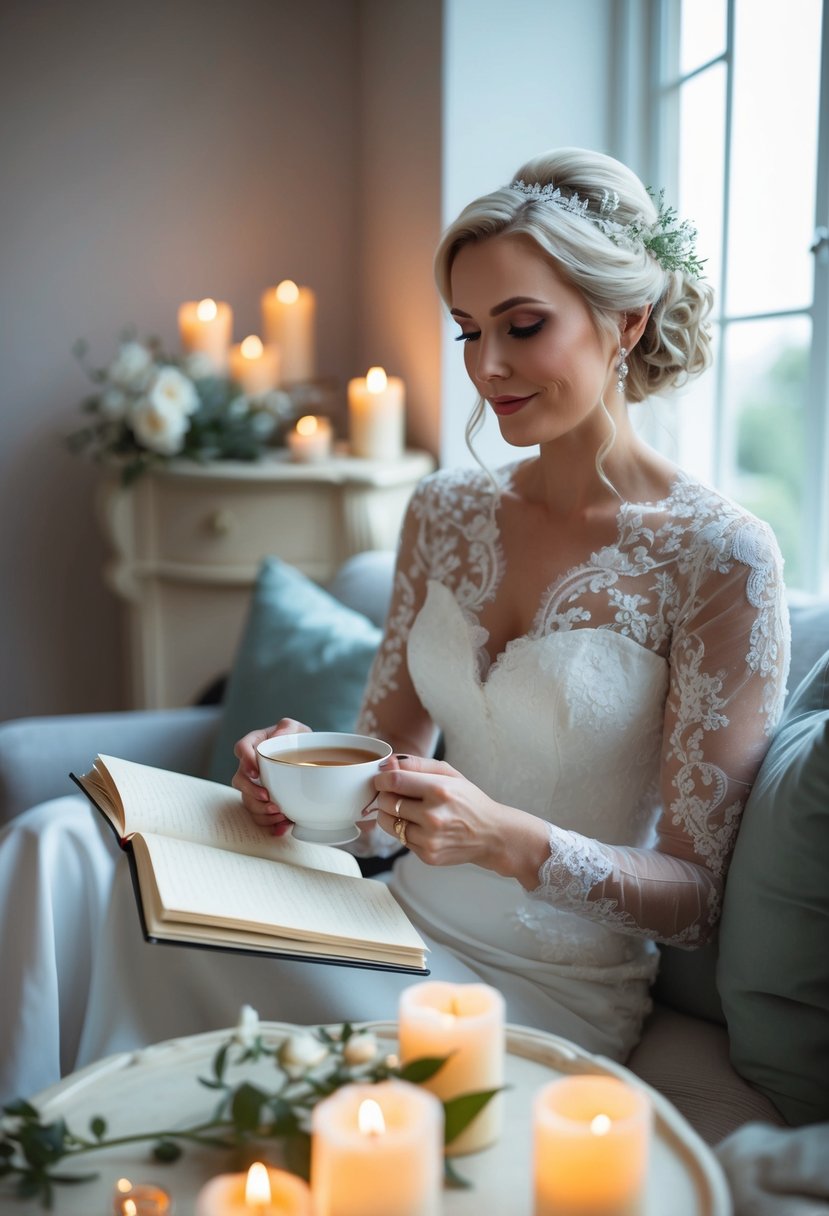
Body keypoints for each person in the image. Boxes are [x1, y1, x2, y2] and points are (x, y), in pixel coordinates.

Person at [0, 147, 790, 1103]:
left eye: (521, 326)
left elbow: (695, 899)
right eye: (466, 331)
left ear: (624, 321)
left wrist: (505, 837)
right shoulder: (443, 512)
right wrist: (303, 785)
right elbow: (380, 790)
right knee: (60, 845)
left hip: (533, 993)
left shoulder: (718, 557)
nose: (484, 367)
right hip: (377, 920)